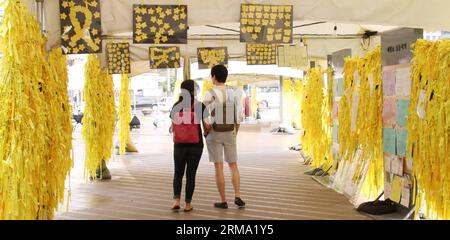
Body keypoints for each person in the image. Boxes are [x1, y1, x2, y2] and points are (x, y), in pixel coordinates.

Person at [203, 65, 246, 209]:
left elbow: (202, 115)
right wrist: (235, 132)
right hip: (230, 132)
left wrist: (207, 128)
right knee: (233, 165)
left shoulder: (209, 93)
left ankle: (223, 200)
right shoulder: (234, 93)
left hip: (214, 133)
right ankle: (238, 195)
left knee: (219, 167)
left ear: (214, 76)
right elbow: (239, 116)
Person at [170, 80, 209, 212]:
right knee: (190, 175)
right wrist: (207, 132)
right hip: (195, 145)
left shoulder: (176, 105)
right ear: (193, 91)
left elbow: (172, 127)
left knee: (178, 173)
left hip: (179, 145)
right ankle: (188, 204)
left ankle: (176, 200)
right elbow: (207, 126)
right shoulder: (199, 106)